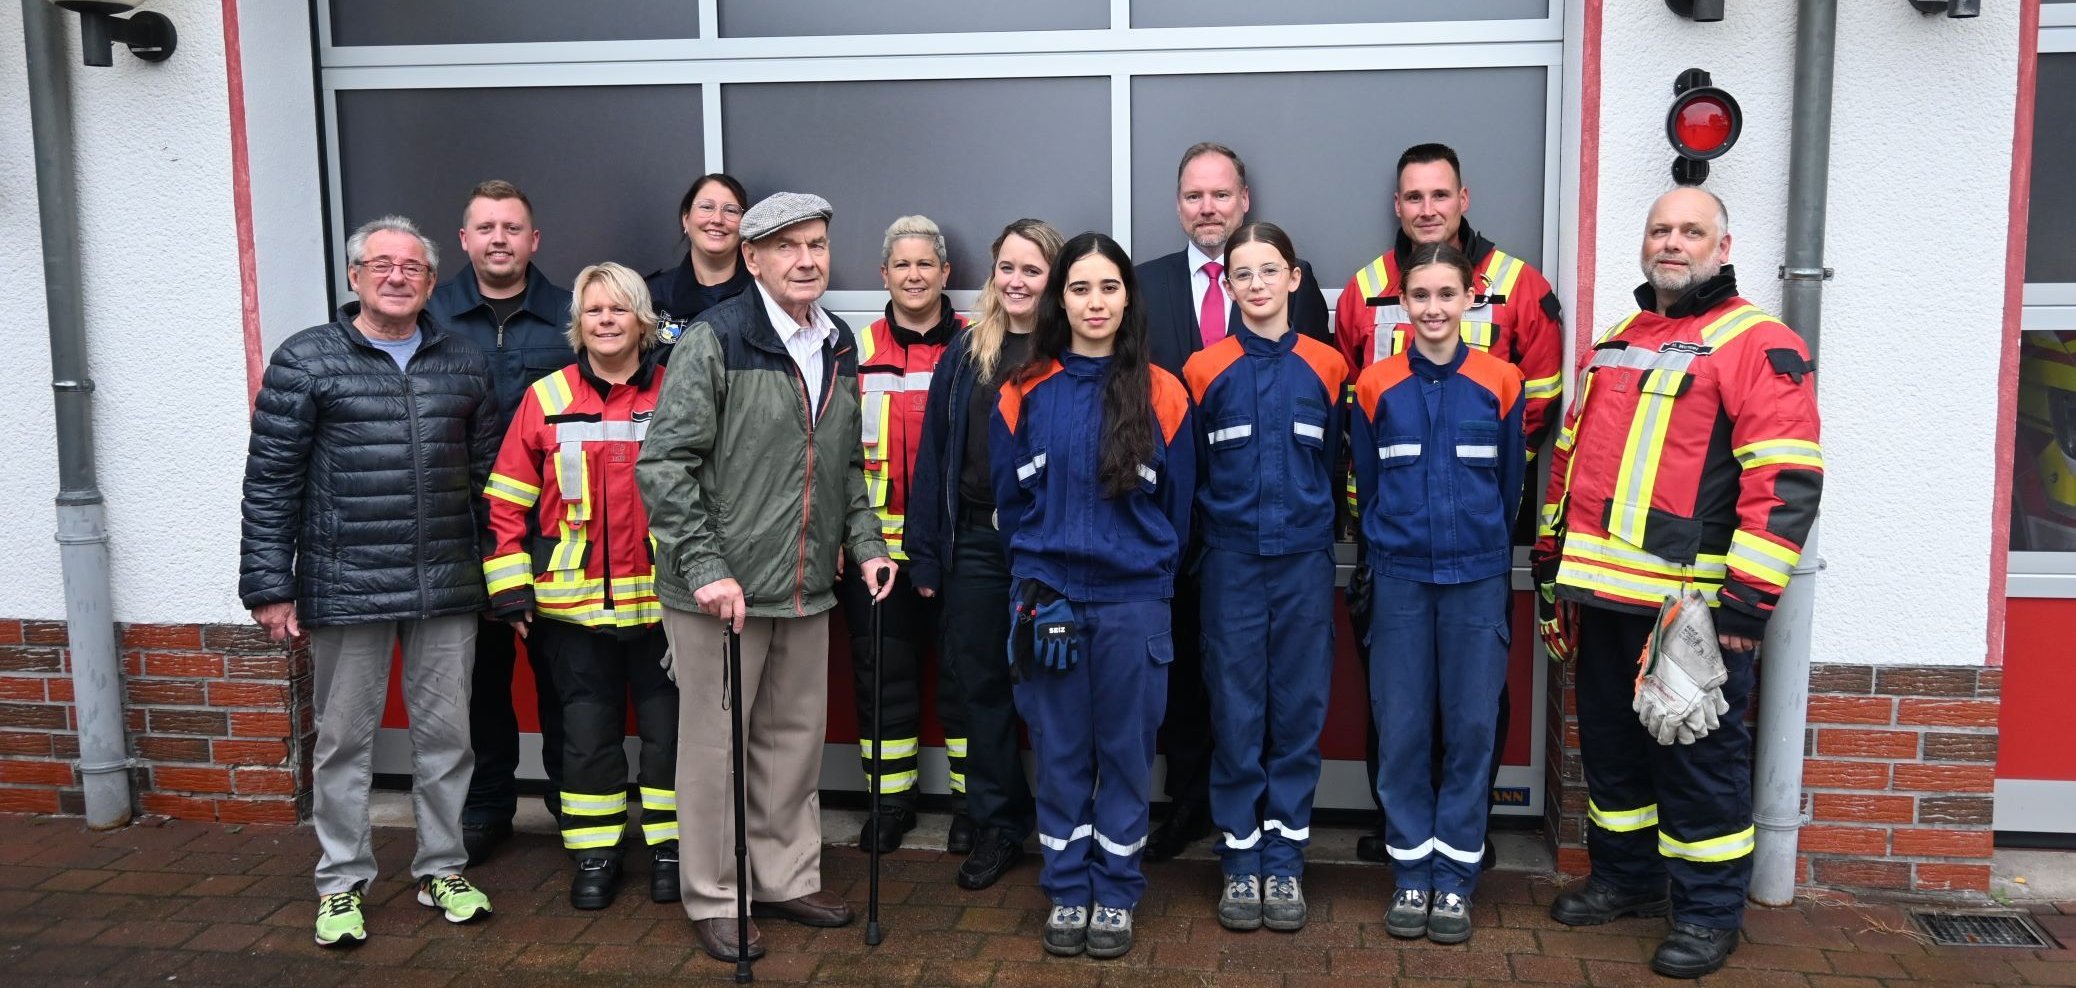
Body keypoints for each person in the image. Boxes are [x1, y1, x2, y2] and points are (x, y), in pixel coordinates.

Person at [1536, 187, 1822, 980]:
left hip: (1690, 608)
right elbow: (1572, 459)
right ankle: (1626, 882)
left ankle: (1706, 913)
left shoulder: (1757, 341)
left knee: (1697, 761)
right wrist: (1553, 562)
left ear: (1723, 247)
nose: (1673, 242)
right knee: (1615, 754)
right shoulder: (1619, 337)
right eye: (1660, 229)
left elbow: (1786, 481)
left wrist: (1749, 602)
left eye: (1691, 231)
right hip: (1601, 595)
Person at [637, 192, 897, 964]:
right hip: (722, 594)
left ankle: (784, 875)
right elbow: (666, 464)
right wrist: (708, 568)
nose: (806, 260)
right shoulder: (717, 340)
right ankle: (717, 894)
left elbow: (844, 461)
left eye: (816, 244)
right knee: (716, 748)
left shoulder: (837, 342)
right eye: (786, 248)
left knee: (791, 742)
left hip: (805, 582)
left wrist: (868, 541)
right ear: (751, 259)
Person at [240, 215, 498, 948]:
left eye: (412, 267)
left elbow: (487, 485)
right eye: (380, 264)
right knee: (345, 742)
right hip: (346, 582)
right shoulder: (308, 360)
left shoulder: (463, 362)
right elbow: (271, 483)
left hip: (445, 582)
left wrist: (502, 582)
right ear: (354, 277)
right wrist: (269, 585)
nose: (396, 277)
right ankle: (342, 881)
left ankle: (442, 867)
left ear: (429, 280)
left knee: (447, 738)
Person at [1333, 143, 1563, 866]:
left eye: (1439, 195)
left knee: (1472, 704)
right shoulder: (1363, 286)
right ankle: (1402, 832)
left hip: (1475, 532)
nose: (1426, 209)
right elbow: (1352, 409)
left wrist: (1471, 492)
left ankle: (1466, 836)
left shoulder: (1522, 284)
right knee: (1394, 700)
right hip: (1391, 536)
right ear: (1397, 206)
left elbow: (1540, 401)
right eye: (1412, 197)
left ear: (1464, 198)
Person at [992, 232, 1195, 961]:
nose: (1095, 302)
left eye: (1109, 287)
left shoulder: (1165, 392)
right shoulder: (1023, 391)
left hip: (1134, 602)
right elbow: (1011, 509)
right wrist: (1037, 586)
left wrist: (1142, 582)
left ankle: (1115, 892)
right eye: (1080, 288)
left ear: (1128, 298)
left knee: (1126, 755)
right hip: (1047, 599)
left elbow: (1178, 509)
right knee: (1061, 752)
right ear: (1060, 300)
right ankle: (1068, 889)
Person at [1136, 142, 1331, 864]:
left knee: (1263, 687)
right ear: (1178, 205)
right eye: (1194, 196)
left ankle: (1265, 834)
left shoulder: (1291, 287)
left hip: (1266, 532)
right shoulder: (1143, 283)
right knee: (1190, 677)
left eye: (1221, 194)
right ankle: (1192, 807)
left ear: (1244, 199)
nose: (1208, 207)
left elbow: (1322, 408)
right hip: (1174, 525)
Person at [483, 262, 677, 911]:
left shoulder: (678, 392)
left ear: (643, 320)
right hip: (572, 611)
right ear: (578, 323)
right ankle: (595, 853)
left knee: (669, 736)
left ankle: (671, 851)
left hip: (665, 607)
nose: (605, 321)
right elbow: (506, 501)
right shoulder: (546, 398)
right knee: (586, 739)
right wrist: (511, 592)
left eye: (618, 310)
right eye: (593, 311)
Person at [1352, 242, 1525, 946]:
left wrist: (1484, 546)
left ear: (1470, 300)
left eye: (1445, 295)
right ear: (1401, 303)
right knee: (1401, 730)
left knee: (1472, 729)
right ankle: (1411, 874)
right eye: (1418, 296)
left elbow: (1511, 483)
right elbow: (1362, 478)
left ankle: (1454, 880)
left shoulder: (1502, 381)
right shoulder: (1374, 385)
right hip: (1398, 578)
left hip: (1477, 579)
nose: (1431, 309)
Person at [1182, 222, 1347, 934]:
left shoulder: (1329, 366)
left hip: (1306, 564)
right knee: (1236, 713)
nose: (1255, 284)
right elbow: (1189, 478)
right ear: (1229, 284)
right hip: (1230, 564)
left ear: (1294, 278)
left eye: (1267, 271)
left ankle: (1285, 861)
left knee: (1298, 712)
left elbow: (1342, 467)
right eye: (1241, 273)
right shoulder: (1203, 369)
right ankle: (1240, 859)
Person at [907, 219, 1064, 891]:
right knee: (983, 692)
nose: (1019, 280)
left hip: (1054, 547)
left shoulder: (1074, 349)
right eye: (1008, 267)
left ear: (1054, 277)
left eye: (1033, 268)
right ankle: (1000, 824)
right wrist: (926, 553)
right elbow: (935, 458)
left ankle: (1067, 827)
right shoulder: (967, 351)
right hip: (975, 541)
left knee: (1055, 688)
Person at [426, 179, 576, 866]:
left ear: (533, 240)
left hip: (555, 530)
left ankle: (576, 802)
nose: (498, 240)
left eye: (512, 228)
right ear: (464, 240)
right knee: (480, 682)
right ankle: (489, 805)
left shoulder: (569, 317)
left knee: (565, 677)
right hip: (462, 528)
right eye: (485, 228)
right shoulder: (433, 318)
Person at [842, 215, 970, 854]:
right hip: (878, 555)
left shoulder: (979, 347)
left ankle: (974, 806)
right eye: (903, 265)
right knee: (882, 681)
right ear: (883, 275)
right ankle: (889, 803)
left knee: (966, 679)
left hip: (957, 553)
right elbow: (832, 458)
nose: (914, 275)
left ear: (947, 274)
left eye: (927, 264)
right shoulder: (853, 353)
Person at [647, 172, 755, 348]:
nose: (717, 219)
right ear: (686, 219)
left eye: (730, 210)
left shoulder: (766, 294)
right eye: (706, 207)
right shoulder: (652, 296)